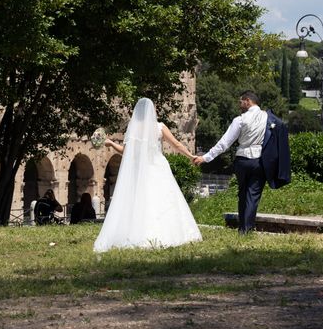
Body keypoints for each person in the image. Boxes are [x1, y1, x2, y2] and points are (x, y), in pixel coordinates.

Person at [93, 98, 202, 252]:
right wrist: (191, 156)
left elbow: (126, 152)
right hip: (157, 167)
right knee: (163, 199)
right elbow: (176, 145)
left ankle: (138, 232)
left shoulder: (133, 129)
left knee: (141, 200)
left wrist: (111, 143)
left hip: (140, 170)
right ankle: (167, 233)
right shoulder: (159, 127)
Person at [192, 90, 290, 233]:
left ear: (248, 101)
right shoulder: (269, 118)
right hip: (259, 161)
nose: (240, 105)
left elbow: (224, 143)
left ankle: (242, 228)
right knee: (253, 195)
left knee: (243, 193)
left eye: (241, 102)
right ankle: (246, 229)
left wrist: (205, 157)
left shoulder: (240, 120)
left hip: (242, 161)